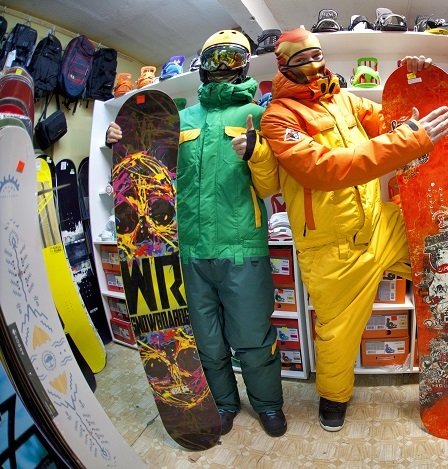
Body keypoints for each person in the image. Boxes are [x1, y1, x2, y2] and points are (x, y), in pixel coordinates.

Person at [238, 27, 448, 432]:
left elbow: (394, 119)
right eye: (301, 59)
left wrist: (414, 82)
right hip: (332, 248)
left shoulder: (344, 99)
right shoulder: (278, 117)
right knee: (337, 332)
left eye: (317, 55)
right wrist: (408, 140)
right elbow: (322, 169)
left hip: (379, 222)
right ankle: (333, 399)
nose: (314, 64)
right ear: (283, 64)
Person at [106, 30, 286, 438]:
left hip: (242, 248)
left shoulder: (258, 115)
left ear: (244, 63)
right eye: (214, 58)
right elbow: (147, 170)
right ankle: (223, 403)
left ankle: (268, 404)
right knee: (206, 341)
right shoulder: (180, 119)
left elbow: (272, 186)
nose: (222, 67)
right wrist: (120, 139)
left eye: (231, 57)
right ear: (202, 65)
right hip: (189, 251)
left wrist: (256, 152)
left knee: (254, 339)